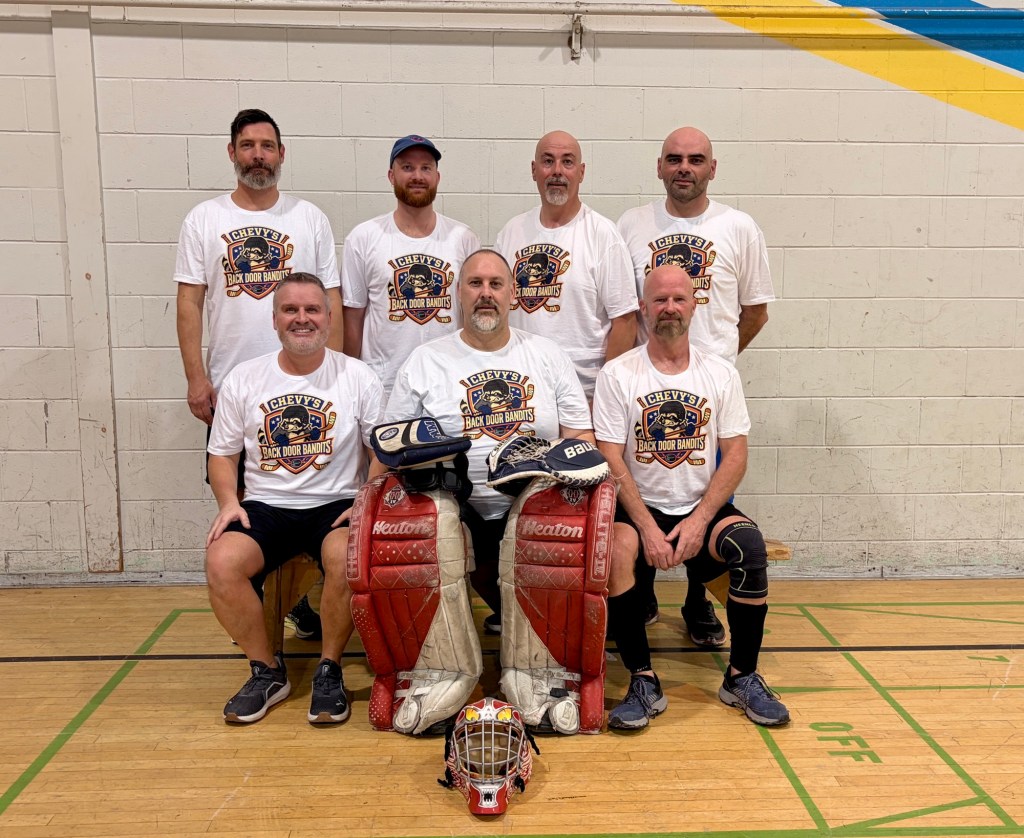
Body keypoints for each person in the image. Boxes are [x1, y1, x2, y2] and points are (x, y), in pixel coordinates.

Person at [593, 264, 789, 727]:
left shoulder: (719, 373)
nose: (670, 308)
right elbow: (610, 456)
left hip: (701, 510)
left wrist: (700, 520)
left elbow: (736, 454)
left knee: (749, 546)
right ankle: (643, 679)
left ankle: (741, 677)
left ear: (694, 305)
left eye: (679, 299)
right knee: (617, 549)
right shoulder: (618, 374)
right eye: (660, 300)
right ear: (644, 308)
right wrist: (647, 528)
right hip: (640, 511)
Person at [175, 108, 344, 641]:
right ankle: (260, 621)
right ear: (232, 153)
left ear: (281, 154)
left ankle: (301, 602)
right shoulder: (204, 219)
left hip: (310, 388)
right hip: (235, 391)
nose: (258, 156)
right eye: (247, 146)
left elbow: (331, 299)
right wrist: (196, 377)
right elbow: (189, 302)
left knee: (317, 501)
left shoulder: (309, 218)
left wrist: (338, 376)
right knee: (250, 512)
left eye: (267, 146)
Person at [617, 126, 775, 642]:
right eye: (674, 159)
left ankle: (696, 599)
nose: (684, 167)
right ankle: (641, 592)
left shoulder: (739, 227)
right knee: (647, 491)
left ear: (712, 168)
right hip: (645, 386)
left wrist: (716, 364)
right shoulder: (631, 224)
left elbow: (756, 311)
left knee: (707, 498)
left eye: (695, 159)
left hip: (709, 394)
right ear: (659, 167)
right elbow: (622, 307)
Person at [205, 273, 383, 725]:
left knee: (345, 557)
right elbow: (222, 454)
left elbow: (380, 450)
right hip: (266, 506)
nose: (302, 319)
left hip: (336, 503)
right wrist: (229, 503)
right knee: (221, 561)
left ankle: (329, 669)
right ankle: (267, 671)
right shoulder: (245, 378)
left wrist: (366, 498)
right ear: (274, 319)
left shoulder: (358, 376)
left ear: (328, 318)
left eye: (312, 310)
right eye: (290, 310)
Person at [385, 249, 593, 633]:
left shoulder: (548, 355)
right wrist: (366, 501)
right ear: (458, 293)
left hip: (536, 504)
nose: (486, 293)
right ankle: (459, 647)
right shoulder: (424, 360)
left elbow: (579, 435)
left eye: (496, 284)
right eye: (475, 283)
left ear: (512, 293)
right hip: (458, 506)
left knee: (546, 625)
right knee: (441, 527)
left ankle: (534, 628)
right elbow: (393, 446)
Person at [494, 131, 638, 398]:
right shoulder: (511, 232)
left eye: (567, 162)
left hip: (585, 391)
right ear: (534, 170)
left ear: (581, 172)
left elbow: (626, 322)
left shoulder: (602, 234)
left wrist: (604, 396)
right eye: (548, 161)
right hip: (522, 389)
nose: (557, 171)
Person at [342, 135, 480, 395]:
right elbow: (353, 318)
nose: (417, 176)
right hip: (383, 385)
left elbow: (474, 315)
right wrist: (350, 384)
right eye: (407, 167)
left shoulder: (463, 238)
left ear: (437, 177)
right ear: (391, 176)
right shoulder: (363, 238)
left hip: (448, 381)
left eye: (426, 168)